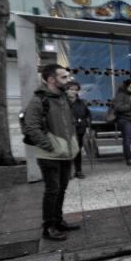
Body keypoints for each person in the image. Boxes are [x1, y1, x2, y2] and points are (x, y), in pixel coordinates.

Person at [22, 64, 81, 241]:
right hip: (49, 155)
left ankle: (58, 220)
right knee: (52, 190)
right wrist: (48, 145)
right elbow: (31, 126)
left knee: (61, 188)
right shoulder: (38, 100)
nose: (68, 80)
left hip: (66, 152)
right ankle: (48, 227)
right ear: (51, 80)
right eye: (63, 77)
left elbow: (69, 123)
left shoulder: (63, 98)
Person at [65, 81, 91, 179]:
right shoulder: (62, 102)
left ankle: (78, 171)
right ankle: (67, 172)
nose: (73, 92)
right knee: (67, 151)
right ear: (66, 90)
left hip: (79, 129)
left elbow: (87, 115)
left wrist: (86, 125)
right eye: (71, 89)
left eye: (76, 90)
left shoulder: (82, 102)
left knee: (77, 151)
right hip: (66, 130)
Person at [113, 79, 131, 166]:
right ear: (126, 87)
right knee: (127, 139)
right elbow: (118, 108)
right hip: (125, 119)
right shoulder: (121, 95)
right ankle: (129, 158)